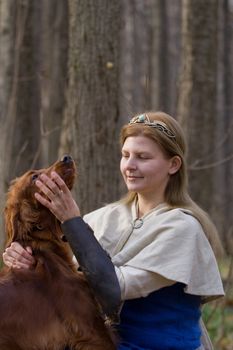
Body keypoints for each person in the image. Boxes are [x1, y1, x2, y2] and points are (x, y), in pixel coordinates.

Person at [3, 111, 224, 350]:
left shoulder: (183, 227)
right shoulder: (106, 217)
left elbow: (113, 290)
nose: (130, 165)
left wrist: (71, 220)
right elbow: (67, 278)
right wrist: (24, 260)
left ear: (173, 164)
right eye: (125, 155)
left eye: (142, 157)